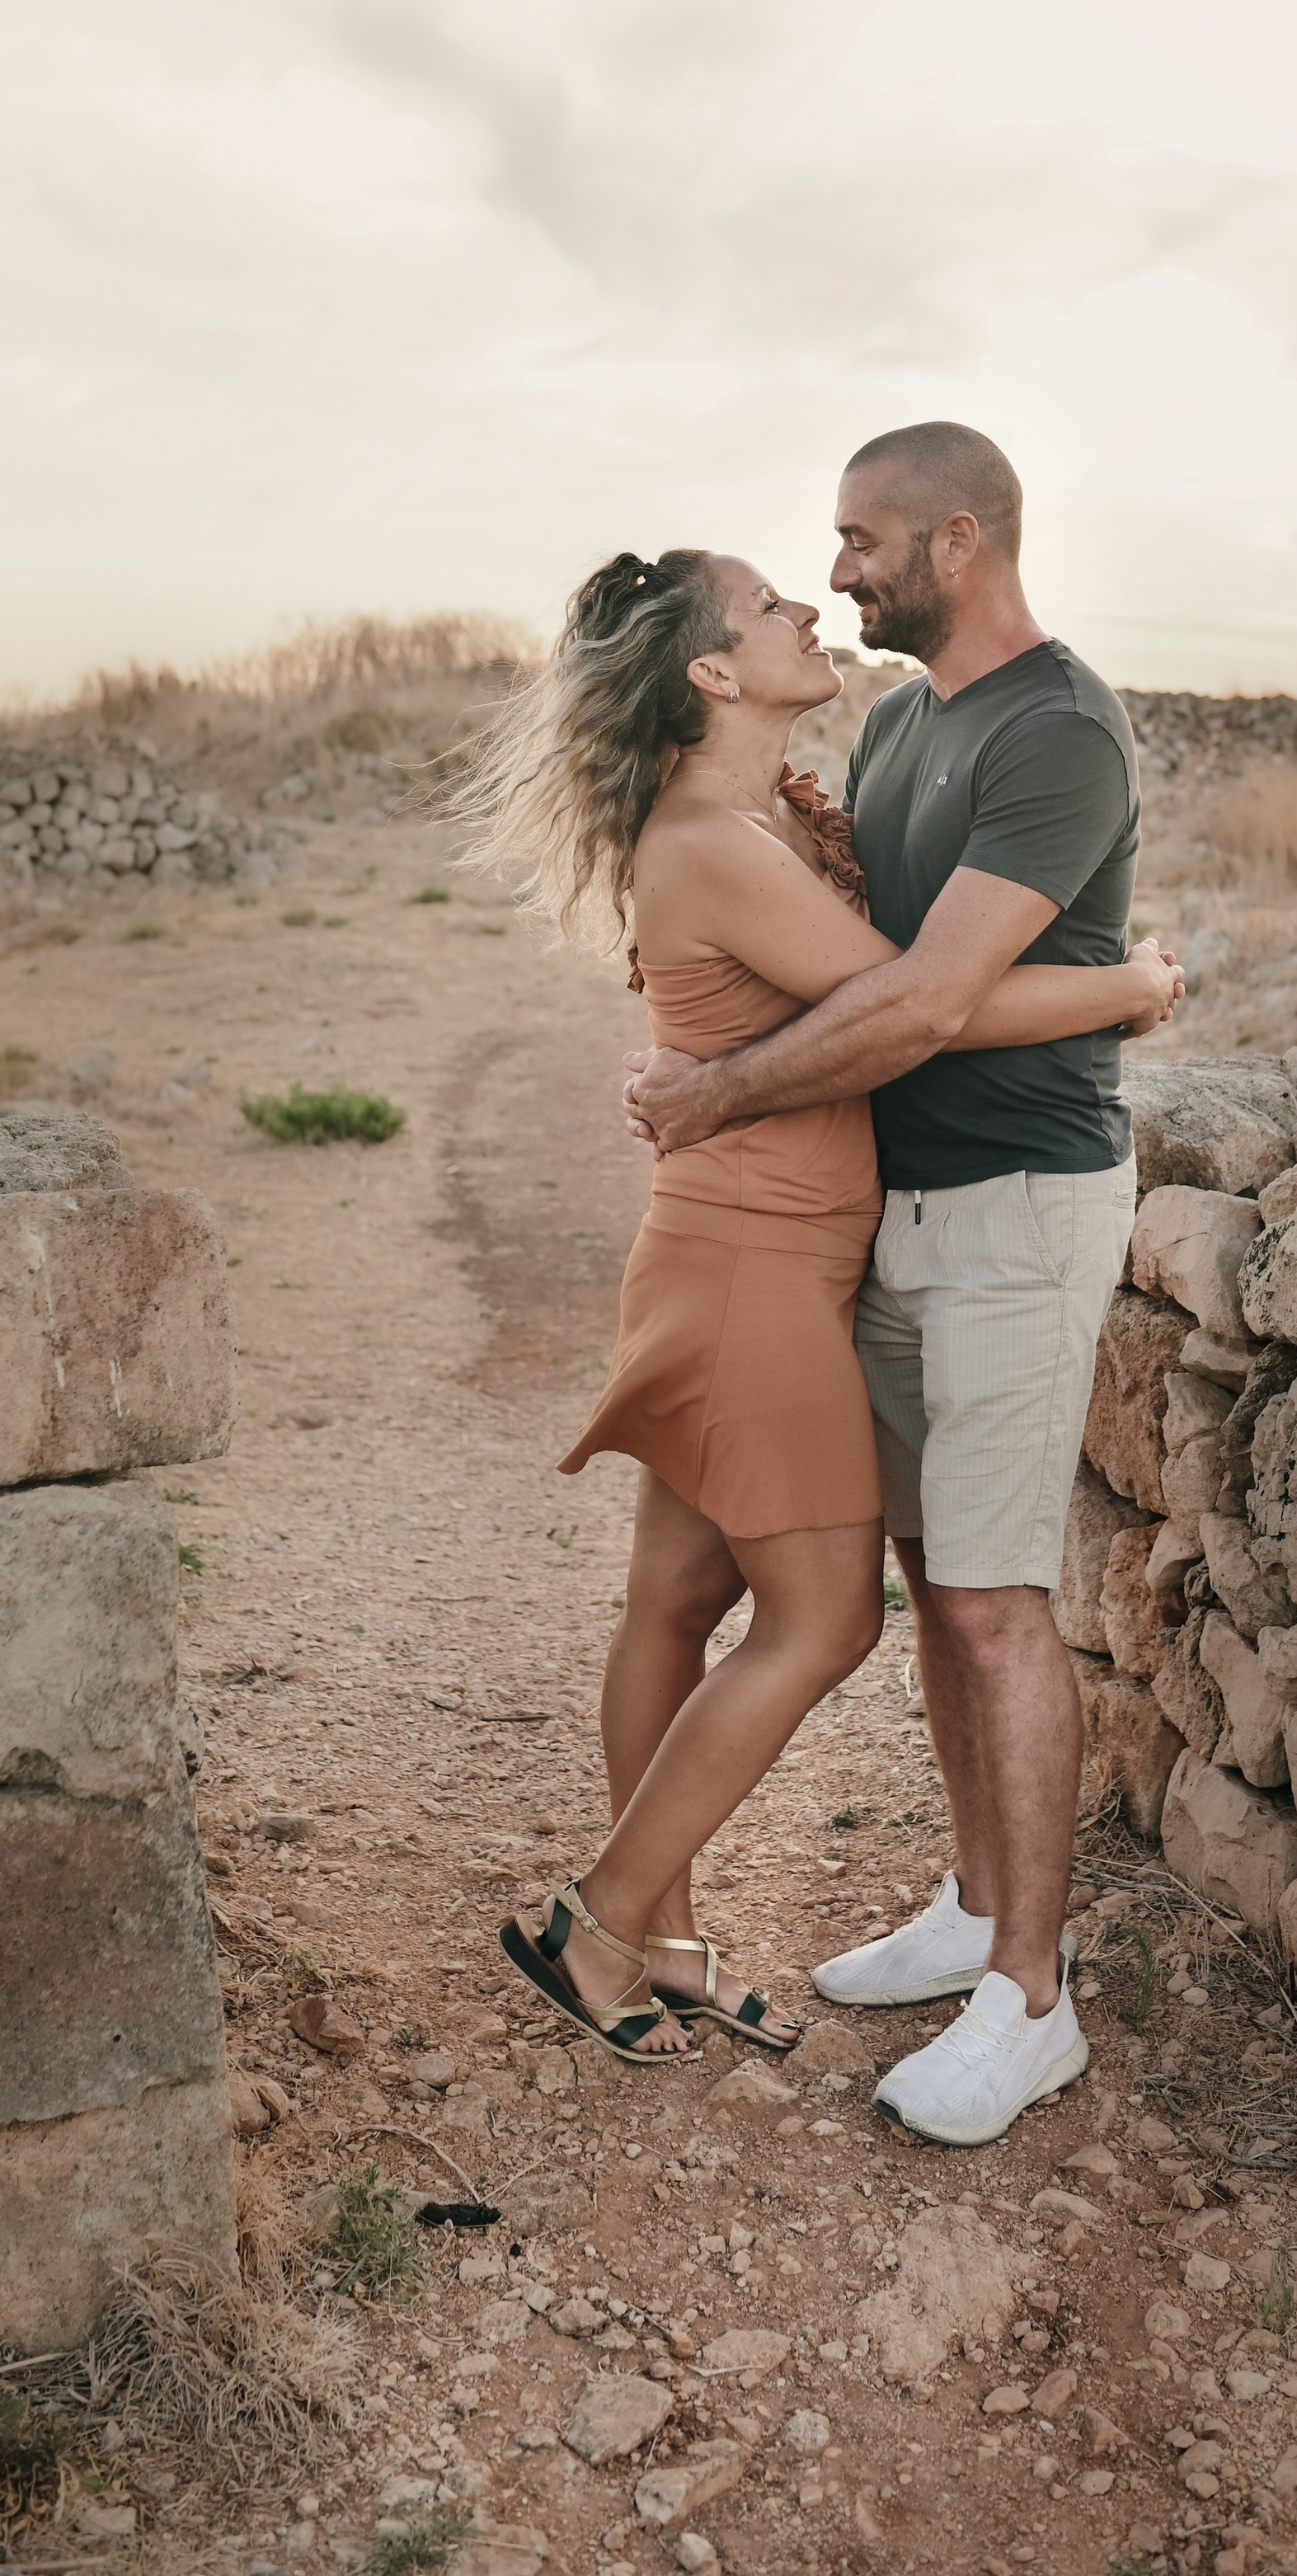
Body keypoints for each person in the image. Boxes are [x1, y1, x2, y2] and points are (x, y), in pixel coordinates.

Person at [455, 542, 1179, 2067]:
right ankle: (602, 1929)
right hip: (755, 1267)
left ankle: (655, 1943)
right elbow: (926, 1003)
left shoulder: (768, 807)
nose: (811, 606)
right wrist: (1129, 986)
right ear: (713, 671)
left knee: (678, 1599)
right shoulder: (715, 835)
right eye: (774, 604)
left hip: (754, 1247)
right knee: (830, 1612)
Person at [624, 423, 1152, 2141]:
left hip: (1010, 1201)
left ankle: (1030, 1995)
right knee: (941, 1582)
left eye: (858, 540)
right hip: (891, 1212)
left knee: (996, 1603)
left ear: (959, 536)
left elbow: (921, 1001)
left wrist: (713, 1094)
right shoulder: (912, 720)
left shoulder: (1058, 729)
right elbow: (824, 963)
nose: (837, 571)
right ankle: (974, 1908)